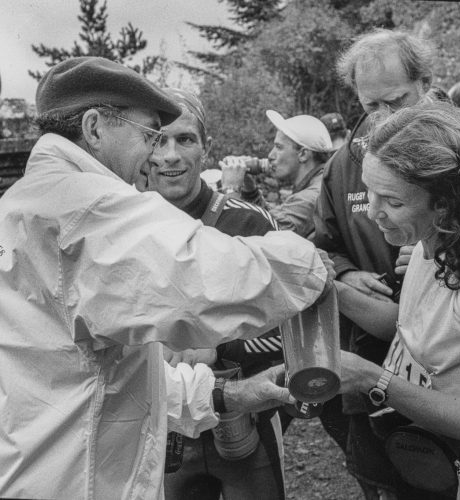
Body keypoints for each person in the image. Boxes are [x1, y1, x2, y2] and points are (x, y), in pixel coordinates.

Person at [0, 57, 334, 500]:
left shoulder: (21, 203)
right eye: (148, 136)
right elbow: (205, 283)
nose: (156, 155)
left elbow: (104, 369)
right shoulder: (87, 206)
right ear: (96, 127)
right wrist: (309, 263)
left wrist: (228, 396)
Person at [337, 102, 460, 499]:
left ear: (443, 202)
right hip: (431, 450)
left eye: (393, 201)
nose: (374, 213)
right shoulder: (429, 239)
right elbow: (410, 325)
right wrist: (328, 290)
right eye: (369, 193)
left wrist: (372, 378)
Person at [136, 88, 287, 500]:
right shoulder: (123, 226)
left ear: (206, 148)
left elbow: (292, 324)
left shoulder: (248, 223)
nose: (169, 156)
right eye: (157, 139)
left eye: (184, 139)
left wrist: (217, 347)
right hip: (160, 427)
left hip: (244, 421)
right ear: (142, 147)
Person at [313, 28, 434, 499]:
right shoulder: (345, 164)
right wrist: (344, 271)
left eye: (397, 101)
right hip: (376, 354)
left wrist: (439, 246)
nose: (385, 118)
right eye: (371, 106)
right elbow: (325, 241)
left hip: (459, 360)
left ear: (425, 82)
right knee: (387, 483)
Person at [220, 111, 333, 238]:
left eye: (279, 147)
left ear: (303, 154)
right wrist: (250, 192)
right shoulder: (319, 184)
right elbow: (267, 219)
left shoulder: (312, 197)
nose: (270, 155)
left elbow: (265, 234)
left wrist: (231, 190)